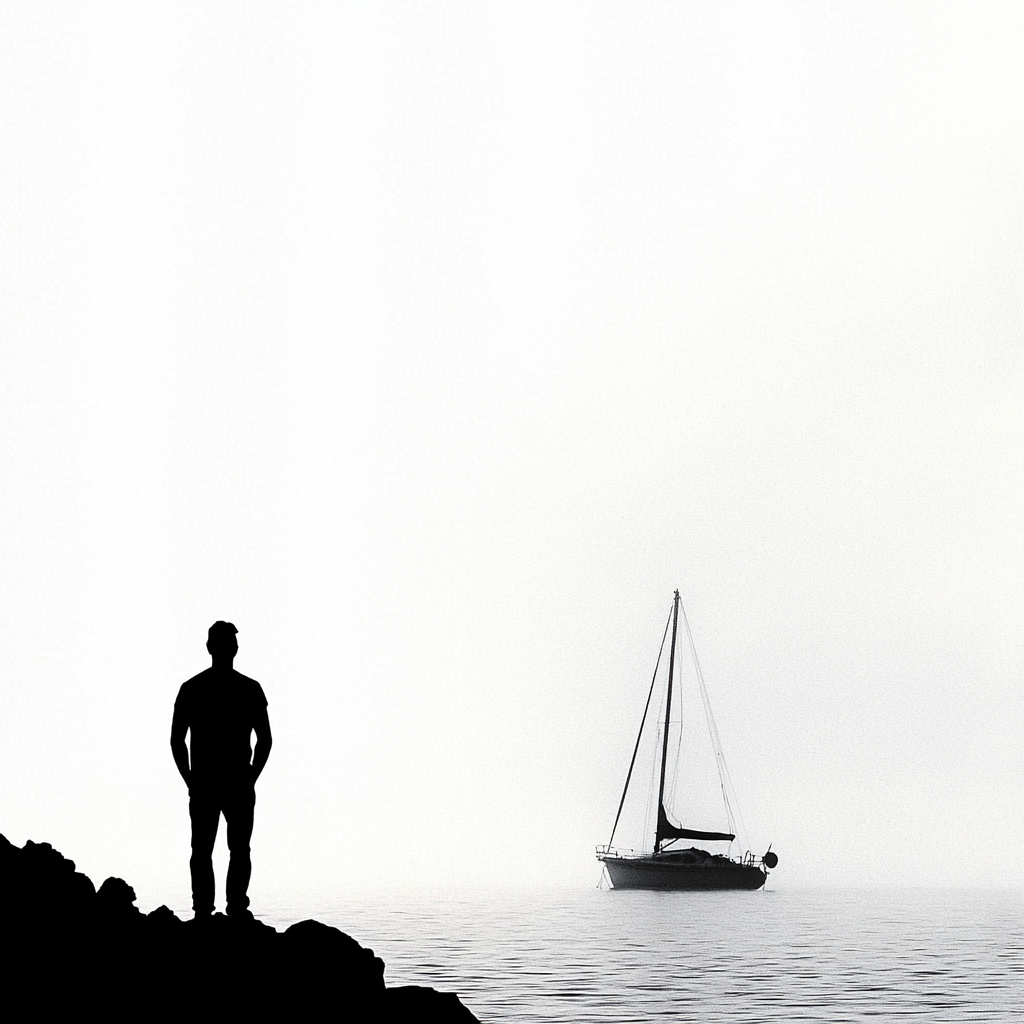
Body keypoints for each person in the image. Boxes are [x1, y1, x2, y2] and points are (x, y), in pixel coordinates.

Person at [170, 621, 272, 919]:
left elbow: (177, 740)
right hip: (226, 782)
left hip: (218, 782)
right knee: (227, 850)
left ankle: (213, 910)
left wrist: (191, 779)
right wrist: (249, 776)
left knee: (215, 851)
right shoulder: (246, 689)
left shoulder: (194, 689)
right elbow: (265, 739)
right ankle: (229, 909)